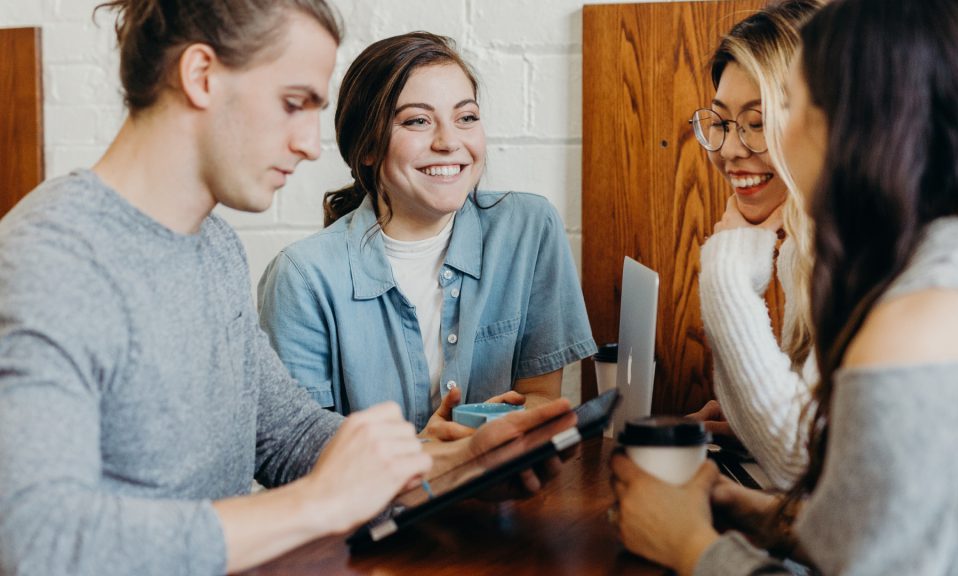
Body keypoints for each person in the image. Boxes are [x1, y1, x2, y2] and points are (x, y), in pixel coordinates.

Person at [0, 2, 573, 574]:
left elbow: (288, 437)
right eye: (292, 104)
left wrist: (454, 468)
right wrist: (318, 503)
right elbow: (37, 539)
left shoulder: (212, 247)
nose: (309, 145)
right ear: (201, 76)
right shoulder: (50, 260)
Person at [612, 0, 958, 573]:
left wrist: (690, 547)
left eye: (789, 105)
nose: (754, 140)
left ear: (859, 123)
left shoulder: (922, 317)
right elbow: (893, 531)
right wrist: (764, 517)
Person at [257, 32, 597, 438]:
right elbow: (299, 453)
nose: (449, 142)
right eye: (418, 121)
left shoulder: (529, 229)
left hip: (502, 494)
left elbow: (541, 396)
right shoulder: (302, 277)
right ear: (366, 147)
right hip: (377, 502)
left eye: (466, 117)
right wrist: (428, 454)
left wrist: (495, 430)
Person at [688, 0, 822, 489]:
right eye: (721, 122)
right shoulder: (802, 247)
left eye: (758, 121)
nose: (729, 148)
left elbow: (799, 463)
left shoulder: (859, 252)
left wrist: (726, 273)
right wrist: (748, 423)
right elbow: (809, 441)